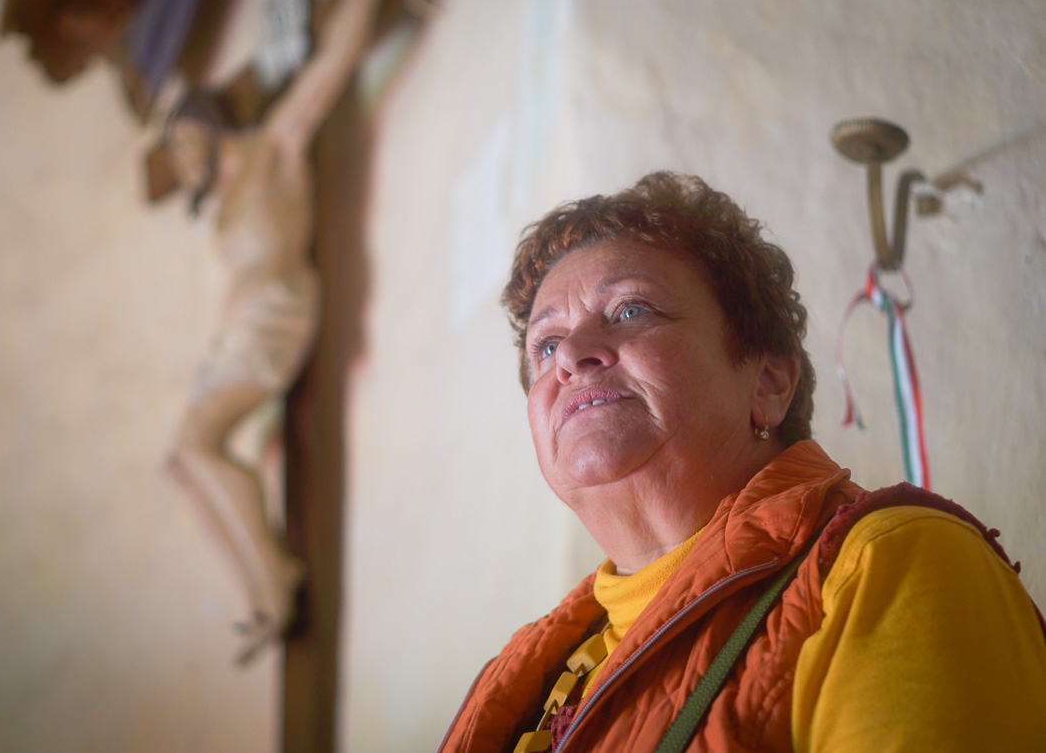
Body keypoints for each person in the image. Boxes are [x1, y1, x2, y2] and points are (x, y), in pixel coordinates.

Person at [439, 172, 1046, 751]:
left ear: (769, 382)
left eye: (630, 310)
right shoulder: (529, 674)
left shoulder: (888, 564)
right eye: (545, 345)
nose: (571, 354)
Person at [165, 0, 393, 665]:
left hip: (276, 314)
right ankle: (262, 590)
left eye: (180, 143)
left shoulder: (274, 145)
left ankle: (275, 577)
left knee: (197, 445)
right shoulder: (221, 205)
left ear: (207, 126)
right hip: (238, 332)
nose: (179, 163)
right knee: (182, 462)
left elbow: (334, 60)